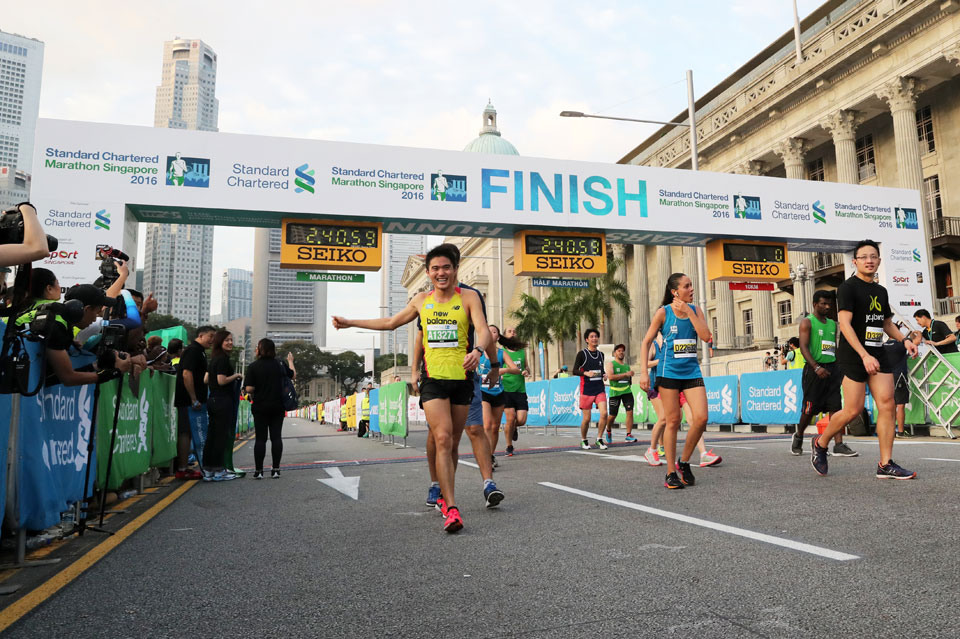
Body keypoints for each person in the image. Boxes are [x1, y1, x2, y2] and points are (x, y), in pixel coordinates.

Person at [333, 243, 492, 533]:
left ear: (455, 269)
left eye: (446, 267)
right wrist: (350, 322)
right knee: (442, 438)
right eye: (435, 269)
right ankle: (453, 508)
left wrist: (479, 350)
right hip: (433, 382)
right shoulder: (421, 300)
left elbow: (482, 328)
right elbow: (391, 322)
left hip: (462, 379)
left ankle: (444, 495)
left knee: (453, 443)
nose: (441, 273)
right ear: (429, 273)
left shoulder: (468, 297)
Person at [811, 239, 918, 479]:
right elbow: (845, 325)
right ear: (855, 261)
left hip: (877, 352)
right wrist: (864, 354)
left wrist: (905, 340)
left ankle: (885, 463)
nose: (869, 260)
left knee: (887, 404)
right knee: (852, 409)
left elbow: (886, 323)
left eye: (873, 256)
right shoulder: (848, 288)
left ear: (879, 260)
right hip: (853, 354)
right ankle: (821, 442)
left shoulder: (881, 291)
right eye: (864, 257)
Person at [639, 272, 712, 489]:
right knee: (673, 420)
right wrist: (643, 372)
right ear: (675, 292)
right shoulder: (663, 312)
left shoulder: (695, 310)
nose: (691, 289)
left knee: (701, 418)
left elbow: (706, 336)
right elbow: (645, 342)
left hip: (691, 372)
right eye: (687, 286)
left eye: (691, 285)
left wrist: (689, 312)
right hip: (668, 372)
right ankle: (671, 472)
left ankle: (684, 461)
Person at [791, 290, 857, 457]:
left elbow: (833, 346)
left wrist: (839, 366)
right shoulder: (807, 322)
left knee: (836, 407)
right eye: (823, 304)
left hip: (832, 369)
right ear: (815, 304)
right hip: (814, 370)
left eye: (829, 304)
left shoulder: (833, 324)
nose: (827, 307)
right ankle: (798, 436)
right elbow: (804, 347)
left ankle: (839, 444)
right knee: (809, 410)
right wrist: (816, 367)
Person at [244, 338, 295, 479]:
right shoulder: (279, 364)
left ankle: (259, 471)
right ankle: (276, 469)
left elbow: (249, 388)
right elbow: (293, 375)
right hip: (277, 406)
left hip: (260, 406)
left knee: (260, 439)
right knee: (276, 437)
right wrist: (290, 361)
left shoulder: (253, 366)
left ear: (259, 350)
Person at [174, 326, 216, 480]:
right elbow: (186, 374)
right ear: (201, 335)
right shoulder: (193, 350)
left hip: (194, 400)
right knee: (185, 432)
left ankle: (185, 467)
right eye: (210, 336)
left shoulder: (200, 352)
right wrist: (193, 398)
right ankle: (182, 468)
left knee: (190, 433)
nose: (212, 340)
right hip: (188, 400)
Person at [202, 329, 242, 482]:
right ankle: (219, 471)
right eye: (227, 340)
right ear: (220, 342)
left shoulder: (213, 359)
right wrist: (237, 375)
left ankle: (208, 470)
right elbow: (221, 380)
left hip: (212, 400)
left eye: (231, 340)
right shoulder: (223, 359)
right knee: (220, 437)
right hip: (222, 401)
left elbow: (206, 380)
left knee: (212, 436)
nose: (230, 343)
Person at [479, 325, 522, 459]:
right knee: (487, 425)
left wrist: (504, 370)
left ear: (497, 337)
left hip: (498, 392)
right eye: (488, 331)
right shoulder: (478, 352)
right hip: (483, 392)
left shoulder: (501, 353)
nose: (491, 333)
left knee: (495, 426)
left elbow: (516, 369)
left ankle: (491, 455)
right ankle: (486, 456)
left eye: (494, 332)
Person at [575, 328, 609, 450]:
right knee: (587, 418)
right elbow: (574, 370)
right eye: (592, 337)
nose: (594, 338)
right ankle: (584, 440)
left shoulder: (601, 354)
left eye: (596, 336)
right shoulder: (582, 354)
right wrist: (585, 374)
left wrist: (604, 375)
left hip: (599, 388)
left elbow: (601, 370)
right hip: (587, 390)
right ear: (587, 340)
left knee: (604, 413)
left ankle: (599, 439)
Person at [886, 329, 921, 438]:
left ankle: (889, 431)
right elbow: (917, 341)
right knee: (900, 405)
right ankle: (900, 431)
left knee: (889, 406)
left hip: (886, 378)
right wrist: (918, 333)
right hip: (899, 377)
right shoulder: (900, 344)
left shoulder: (883, 346)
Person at [501, 327, 530, 448]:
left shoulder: (522, 351)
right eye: (509, 331)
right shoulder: (501, 352)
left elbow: (527, 367)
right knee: (510, 418)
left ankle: (513, 427)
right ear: (504, 336)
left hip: (520, 390)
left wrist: (526, 372)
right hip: (506, 389)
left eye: (514, 331)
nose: (512, 333)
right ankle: (509, 446)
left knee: (521, 420)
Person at [606, 344, 637, 443]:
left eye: (623, 351)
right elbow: (610, 377)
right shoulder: (611, 364)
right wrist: (625, 374)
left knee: (630, 411)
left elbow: (628, 378)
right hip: (615, 392)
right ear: (615, 353)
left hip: (627, 391)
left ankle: (628, 434)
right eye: (619, 350)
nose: (621, 352)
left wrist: (630, 375)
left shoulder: (627, 366)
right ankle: (608, 430)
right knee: (612, 416)